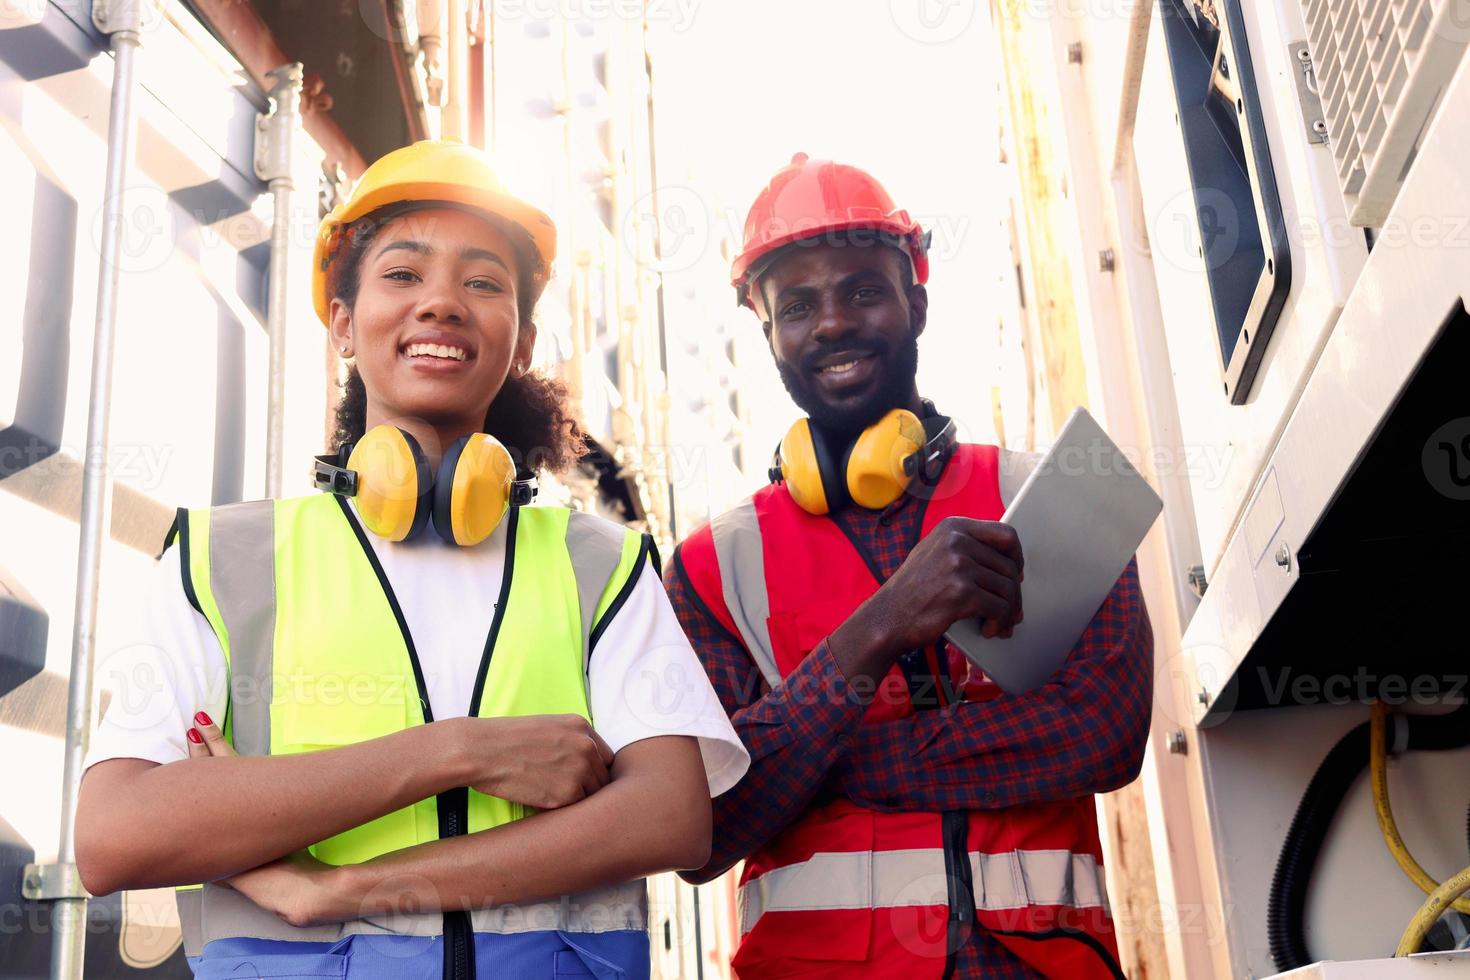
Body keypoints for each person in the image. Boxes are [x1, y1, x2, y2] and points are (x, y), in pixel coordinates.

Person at [75, 138, 749, 980]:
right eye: (402, 275)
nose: (442, 303)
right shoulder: (224, 559)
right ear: (344, 325)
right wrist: (458, 752)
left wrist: (341, 888)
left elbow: (671, 819)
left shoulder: (597, 562)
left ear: (522, 340)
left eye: (483, 282)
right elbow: (114, 837)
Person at [665, 154, 1153, 979]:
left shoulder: (1052, 492)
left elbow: (1103, 737)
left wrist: (828, 764)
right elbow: (706, 824)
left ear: (915, 303)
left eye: (861, 290)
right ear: (769, 332)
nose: (830, 324)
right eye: (796, 305)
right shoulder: (712, 566)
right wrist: (886, 622)